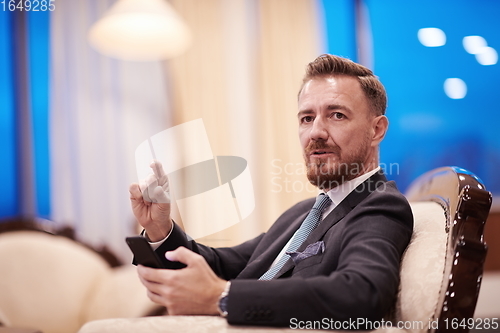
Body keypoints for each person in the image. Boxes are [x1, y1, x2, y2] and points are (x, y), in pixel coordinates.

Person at [129, 54, 413, 328]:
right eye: (306, 118)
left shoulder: (380, 205)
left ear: (376, 130)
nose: (315, 132)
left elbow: (362, 294)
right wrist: (161, 230)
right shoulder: (304, 213)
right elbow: (223, 265)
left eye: (336, 115)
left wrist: (222, 297)